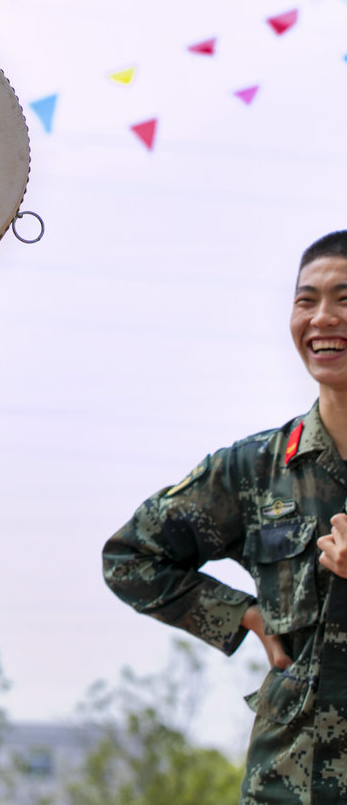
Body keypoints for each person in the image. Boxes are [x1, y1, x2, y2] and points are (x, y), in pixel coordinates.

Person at [104, 230, 347, 802]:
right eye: (306, 300)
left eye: (344, 299)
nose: (322, 318)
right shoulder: (256, 469)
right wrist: (245, 617)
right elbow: (131, 557)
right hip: (289, 783)